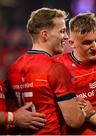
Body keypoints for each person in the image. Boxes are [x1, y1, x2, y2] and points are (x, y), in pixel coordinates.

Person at [6, 7, 86, 135]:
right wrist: (85, 110)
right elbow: (74, 120)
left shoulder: (13, 68)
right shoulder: (55, 67)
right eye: (62, 31)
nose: (66, 37)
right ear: (44, 35)